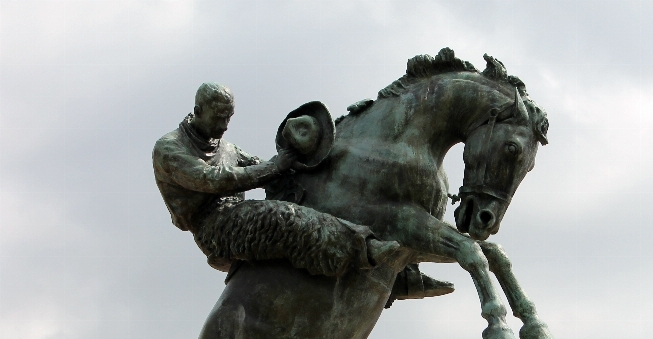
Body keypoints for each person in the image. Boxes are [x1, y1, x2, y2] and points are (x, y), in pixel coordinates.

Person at [153, 81, 452, 300]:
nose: (224, 126)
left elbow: (262, 166)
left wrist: (311, 155)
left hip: (235, 212)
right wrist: (275, 168)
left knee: (304, 189)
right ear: (197, 111)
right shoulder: (170, 148)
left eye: (227, 118)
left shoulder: (226, 147)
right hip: (215, 227)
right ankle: (363, 250)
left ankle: (400, 274)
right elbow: (213, 180)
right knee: (280, 218)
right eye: (218, 118)